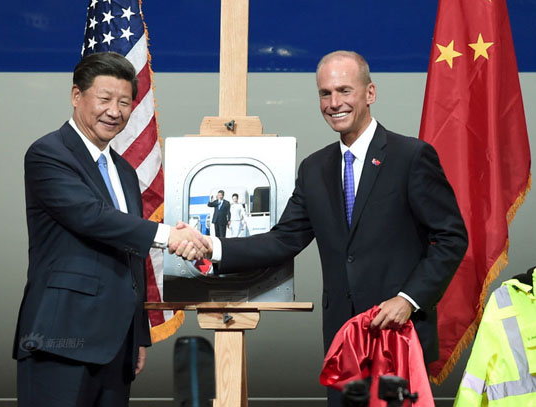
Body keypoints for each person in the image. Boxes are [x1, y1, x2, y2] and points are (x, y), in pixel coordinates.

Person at [177, 50, 468, 407]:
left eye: (345, 91)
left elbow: (452, 238)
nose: (334, 103)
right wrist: (213, 247)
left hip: (397, 335)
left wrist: (408, 299)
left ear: (370, 93)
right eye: (325, 94)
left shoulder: (411, 157)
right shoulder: (315, 169)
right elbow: (283, 240)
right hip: (342, 343)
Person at [12, 52, 209, 407]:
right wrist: (169, 236)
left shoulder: (124, 172)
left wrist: (139, 337)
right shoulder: (48, 154)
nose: (114, 111)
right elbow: (91, 217)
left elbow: (129, 256)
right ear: (76, 96)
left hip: (116, 348)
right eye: (104, 99)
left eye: (124, 102)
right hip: (61, 341)